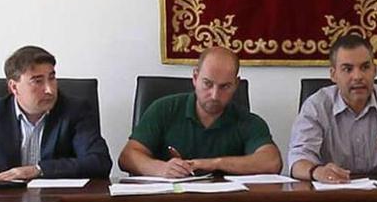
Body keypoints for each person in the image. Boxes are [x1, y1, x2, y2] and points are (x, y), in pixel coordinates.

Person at [118, 46, 282, 177]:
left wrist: (214, 163)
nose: (215, 95)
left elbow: (272, 162)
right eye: (207, 84)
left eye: (225, 86)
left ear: (236, 84)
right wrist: (160, 168)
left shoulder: (248, 121)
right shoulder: (164, 109)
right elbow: (127, 157)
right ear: (195, 78)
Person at [288, 34, 377, 182]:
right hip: (331, 193)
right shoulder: (317, 106)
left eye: (365, 67)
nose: (358, 76)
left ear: (375, 70)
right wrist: (317, 171)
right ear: (333, 74)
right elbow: (298, 160)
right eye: (348, 69)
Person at [0, 45, 112, 179]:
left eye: (51, 78)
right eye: (38, 81)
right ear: (14, 87)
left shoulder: (76, 111)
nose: (50, 90)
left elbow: (99, 162)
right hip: (5, 198)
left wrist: (39, 170)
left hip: (59, 197)